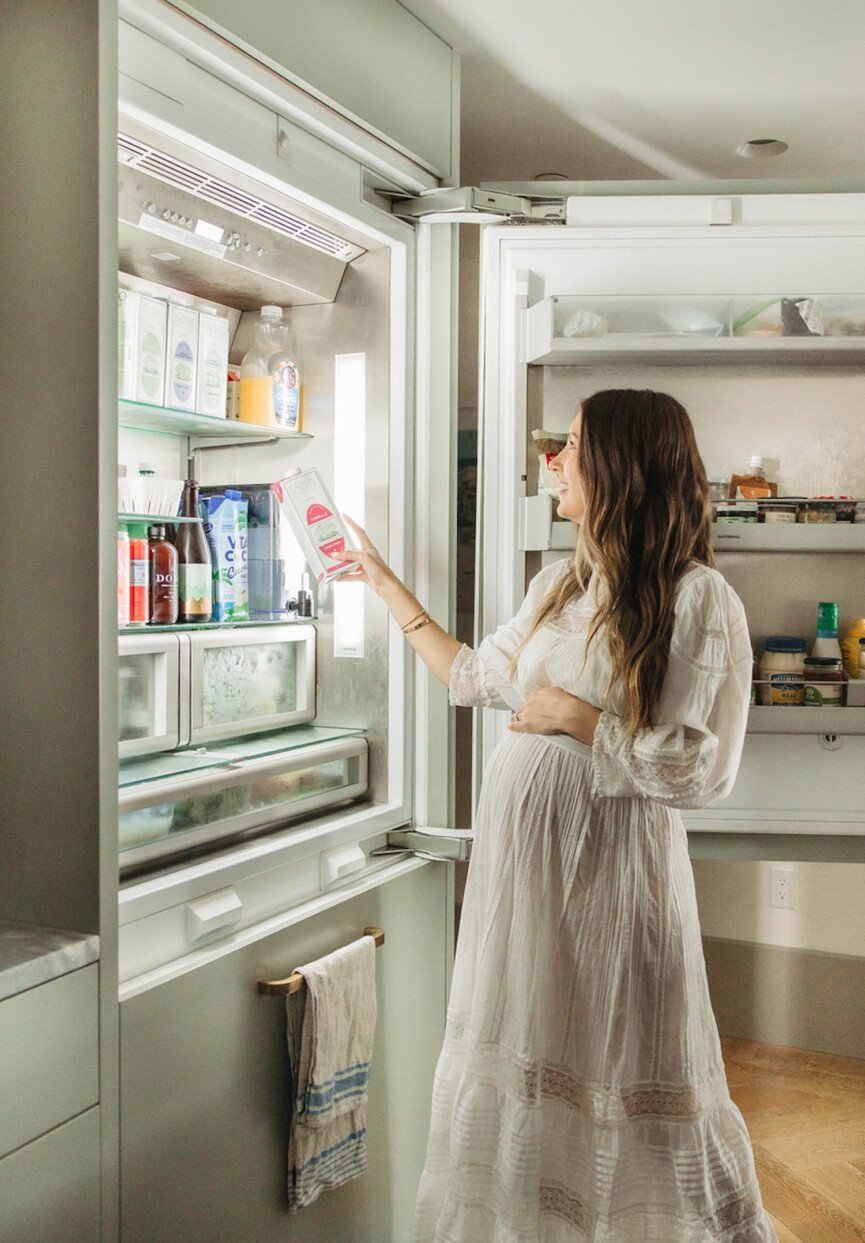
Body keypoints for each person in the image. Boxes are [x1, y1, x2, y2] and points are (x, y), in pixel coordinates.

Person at [336, 388, 776, 1242]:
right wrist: (383, 581)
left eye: (570, 445)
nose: (553, 461)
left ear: (621, 466)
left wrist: (579, 718)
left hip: (615, 879)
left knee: (623, 1057)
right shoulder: (557, 585)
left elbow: (700, 770)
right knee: (533, 1059)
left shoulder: (698, 597)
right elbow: (470, 677)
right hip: (521, 886)